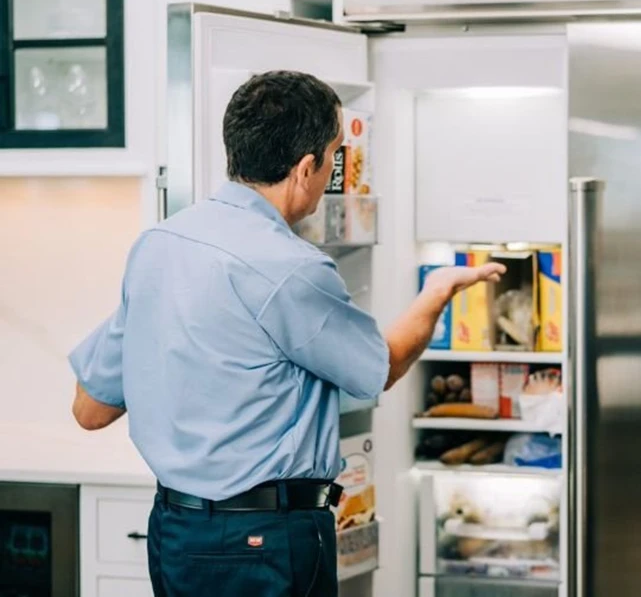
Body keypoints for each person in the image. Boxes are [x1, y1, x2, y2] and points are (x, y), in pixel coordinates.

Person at [67, 70, 505, 597]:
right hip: (264, 541)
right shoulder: (291, 269)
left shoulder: (159, 245)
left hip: (175, 531)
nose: (333, 172)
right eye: (334, 156)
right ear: (305, 168)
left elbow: (90, 409)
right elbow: (379, 367)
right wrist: (437, 290)